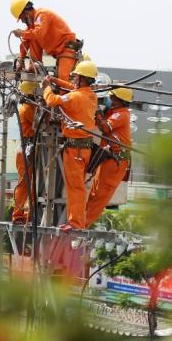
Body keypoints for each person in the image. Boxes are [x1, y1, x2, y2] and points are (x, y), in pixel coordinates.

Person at [42, 60, 98, 231]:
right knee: (76, 187)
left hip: (75, 150)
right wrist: (56, 81)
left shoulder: (75, 97)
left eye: (76, 77)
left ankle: (75, 224)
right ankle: (75, 222)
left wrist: (46, 87)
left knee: (75, 188)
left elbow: (52, 101)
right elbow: (73, 88)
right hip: (83, 149)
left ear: (82, 79)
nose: (73, 79)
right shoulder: (90, 95)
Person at [85, 87, 133, 228]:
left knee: (100, 196)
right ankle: (80, 221)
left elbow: (105, 127)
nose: (109, 99)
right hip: (108, 159)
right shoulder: (113, 112)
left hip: (116, 162)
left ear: (120, 101)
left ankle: (82, 225)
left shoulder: (122, 114)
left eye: (112, 98)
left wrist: (97, 111)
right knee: (94, 193)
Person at [10, 0, 80, 81]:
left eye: (22, 18)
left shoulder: (42, 14)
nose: (22, 21)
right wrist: (21, 59)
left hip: (67, 49)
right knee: (31, 37)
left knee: (62, 80)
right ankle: (34, 66)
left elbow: (39, 33)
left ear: (26, 13)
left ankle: (36, 66)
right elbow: (26, 41)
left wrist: (21, 33)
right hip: (58, 53)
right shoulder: (33, 25)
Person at [12, 80, 38, 224]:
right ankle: (18, 215)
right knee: (24, 184)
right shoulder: (28, 108)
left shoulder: (31, 107)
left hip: (32, 148)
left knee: (34, 184)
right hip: (27, 149)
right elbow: (42, 122)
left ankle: (28, 214)